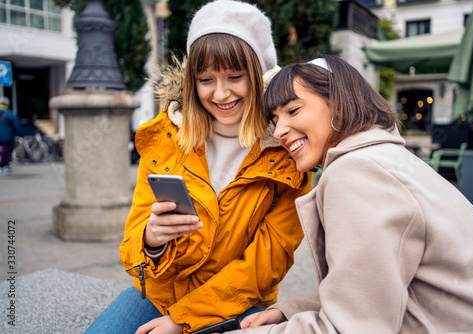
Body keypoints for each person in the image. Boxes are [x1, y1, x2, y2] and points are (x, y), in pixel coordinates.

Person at [85, 1, 312, 333]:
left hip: (240, 302)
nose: (221, 94)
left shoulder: (286, 155)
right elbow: (132, 251)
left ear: (258, 76)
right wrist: (151, 241)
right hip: (161, 296)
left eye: (235, 77)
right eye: (206, 79)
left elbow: (265, 266)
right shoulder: (164, 136)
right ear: (193, 82)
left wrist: (182, 320)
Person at [234, 54, 473, 333]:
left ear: (337, 102)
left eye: (293, 110)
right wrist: (289, 310)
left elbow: (352, 327)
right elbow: (373, 286)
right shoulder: (381, 158)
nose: (278, 131)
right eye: (275, 119)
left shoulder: (357, 171)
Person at [0, 96, 23, 176]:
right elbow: (16, 125)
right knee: (7, 151)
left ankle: (3, 166)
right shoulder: (9, 113)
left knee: (3, 151)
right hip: (7, 137)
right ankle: (4, 166)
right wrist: (21, 134)